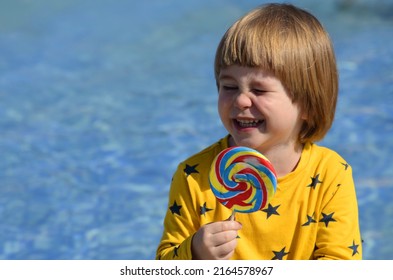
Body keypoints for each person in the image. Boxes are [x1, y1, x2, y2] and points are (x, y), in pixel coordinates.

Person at [156, 3, 362, 260]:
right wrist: (196, 252)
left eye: (259, 90)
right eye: (229, 86)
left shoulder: (331, 174)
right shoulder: (193, 177)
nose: (241, 101)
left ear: (307, 104)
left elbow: (342, 263)